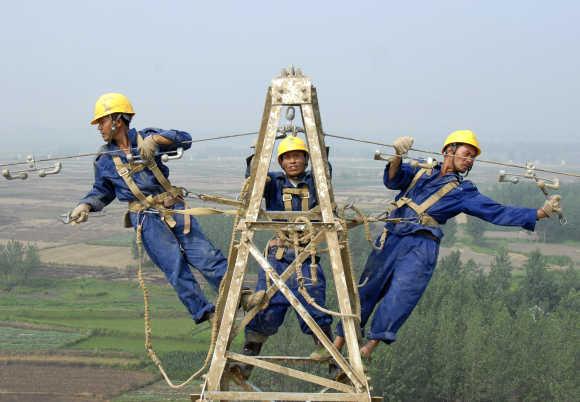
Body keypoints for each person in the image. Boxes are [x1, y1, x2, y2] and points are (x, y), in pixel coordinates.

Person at [333, 129, 561, 359]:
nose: (469, 160)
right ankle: (336, 344)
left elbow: (496, 212)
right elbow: (393, 180)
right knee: (366, 290)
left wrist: (540, 213)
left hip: (422, 246)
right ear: (448, 151)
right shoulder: (422, 169)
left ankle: (366, 351)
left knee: (401, 296)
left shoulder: (463, 191)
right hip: (392, 236)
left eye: (473, 156)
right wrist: (397, 156)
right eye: (466, 153)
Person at [69, 93, 231, 324]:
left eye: (102, 121)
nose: (99, 128)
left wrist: (156, 141)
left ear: (117, 119)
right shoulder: (105, 159)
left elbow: (184, 139)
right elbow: (102, 190)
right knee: (173, 265)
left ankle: (241, 297)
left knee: (205, 255)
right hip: (146, 218)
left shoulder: (146, 137)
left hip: (172, 207)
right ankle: (206, 312)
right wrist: (85, 205)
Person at [232, 135, 333, 380]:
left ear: (307, 160)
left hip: (307, 257)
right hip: (277, 256)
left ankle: (333, 360)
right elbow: (254, 182)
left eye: (298, 156)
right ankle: (248, 360)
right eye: (287, 157)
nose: (293, 161)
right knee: (265, 307)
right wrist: (257, 158)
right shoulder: (273, 183)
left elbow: (325, 172)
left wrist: (320, 148)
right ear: (280, 162)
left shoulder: (316, 182)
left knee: (314, 304)